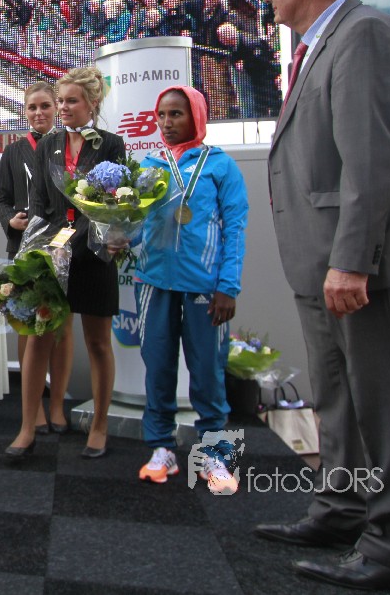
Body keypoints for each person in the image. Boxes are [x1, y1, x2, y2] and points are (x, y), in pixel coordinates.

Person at [253, 0, 390, 594]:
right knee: (338, 398)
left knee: (385, 404)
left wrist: (354, 260)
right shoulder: (321, 44)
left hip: (363, 266)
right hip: (325, 263)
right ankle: (343, 509)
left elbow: (372, 159)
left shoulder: (363, 34)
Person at [5, 67, 125, 462]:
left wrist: (76, 242)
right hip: (53, 256)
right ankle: (27, 427)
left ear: (92, 103)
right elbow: (40, 205)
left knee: (97, 342)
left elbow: (110, 205)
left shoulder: (111, 145)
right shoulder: (48, 146)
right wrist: (35, 251)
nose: (63, 107)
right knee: (39, 337)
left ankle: (99, 427)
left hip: (94, 256)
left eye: (71, 101)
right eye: (61, 101)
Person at [133, 86, 248, 490]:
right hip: (154, 282)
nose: (167, 122)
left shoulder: (220, 166)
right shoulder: (149, 164)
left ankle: (215, 455)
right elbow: (137, 224)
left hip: (205, 287)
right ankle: (161, 447)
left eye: (177, 114)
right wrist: (117, 235)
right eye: (162, 115)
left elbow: (235, 229)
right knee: (158, 368)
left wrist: (228, 287)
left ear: (197, 116)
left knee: (207, 372)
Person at [0, 80, 73, 434]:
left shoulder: (69, 145)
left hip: (63, 247)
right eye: (32, 107)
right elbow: (0, 199)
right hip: (25, 249)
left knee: (62, 327)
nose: (39, 113)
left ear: (56, 108)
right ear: (24, 112)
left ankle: (57, 406)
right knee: (28, 323)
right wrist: (10, 219)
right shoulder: (13, 151)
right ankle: (34, 408)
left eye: (45, 106)